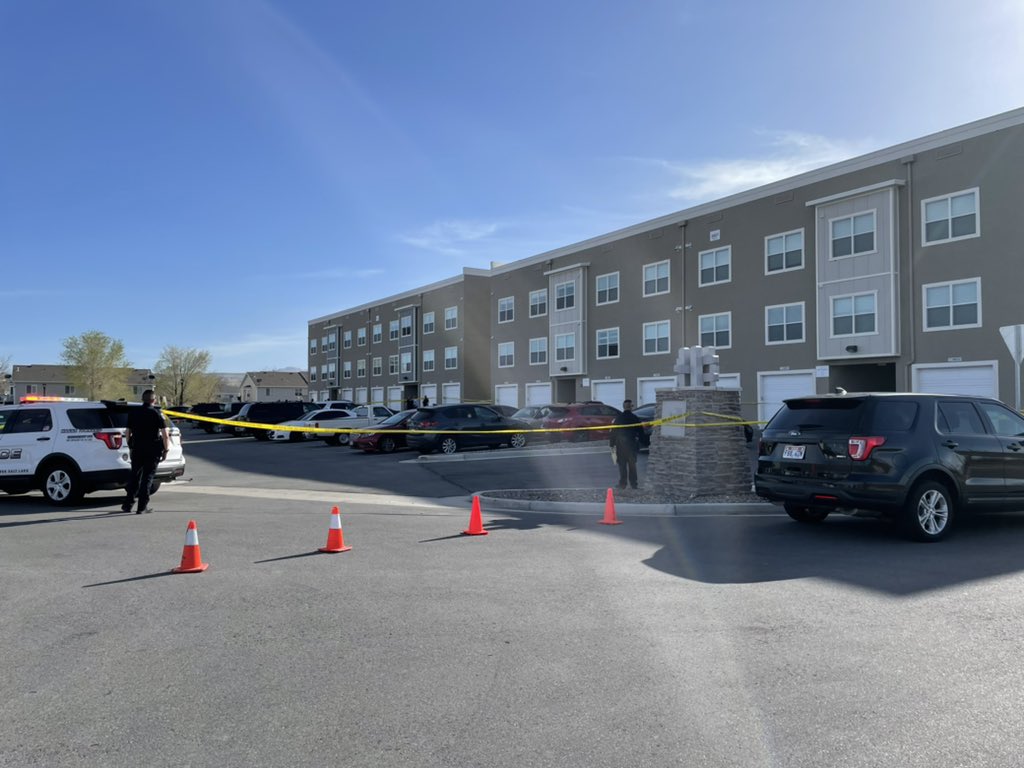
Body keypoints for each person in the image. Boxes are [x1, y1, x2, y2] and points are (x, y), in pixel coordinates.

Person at [121, 389, 170, 514]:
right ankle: (142, 507)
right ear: (153, 400)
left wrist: (130, 445)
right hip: (153, 449)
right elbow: (165, 435)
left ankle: (127, 505)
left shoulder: (134, 413)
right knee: (147, 478)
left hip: (137, 448)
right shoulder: (157, 413)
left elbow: (127, 432)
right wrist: (166, 449)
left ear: (142, 399)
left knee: (134, 476)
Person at [609, 399, 643, 490]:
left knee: (622, 466)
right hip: (631, 445)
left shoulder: (619, 418)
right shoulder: (634, 418)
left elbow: (613, 432)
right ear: (631, 407)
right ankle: (634, 484)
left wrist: (611, 445)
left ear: (623, 407)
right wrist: (643, 442)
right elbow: (641, 432)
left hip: (620, 445)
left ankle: (622, 484)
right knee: (632, 466)